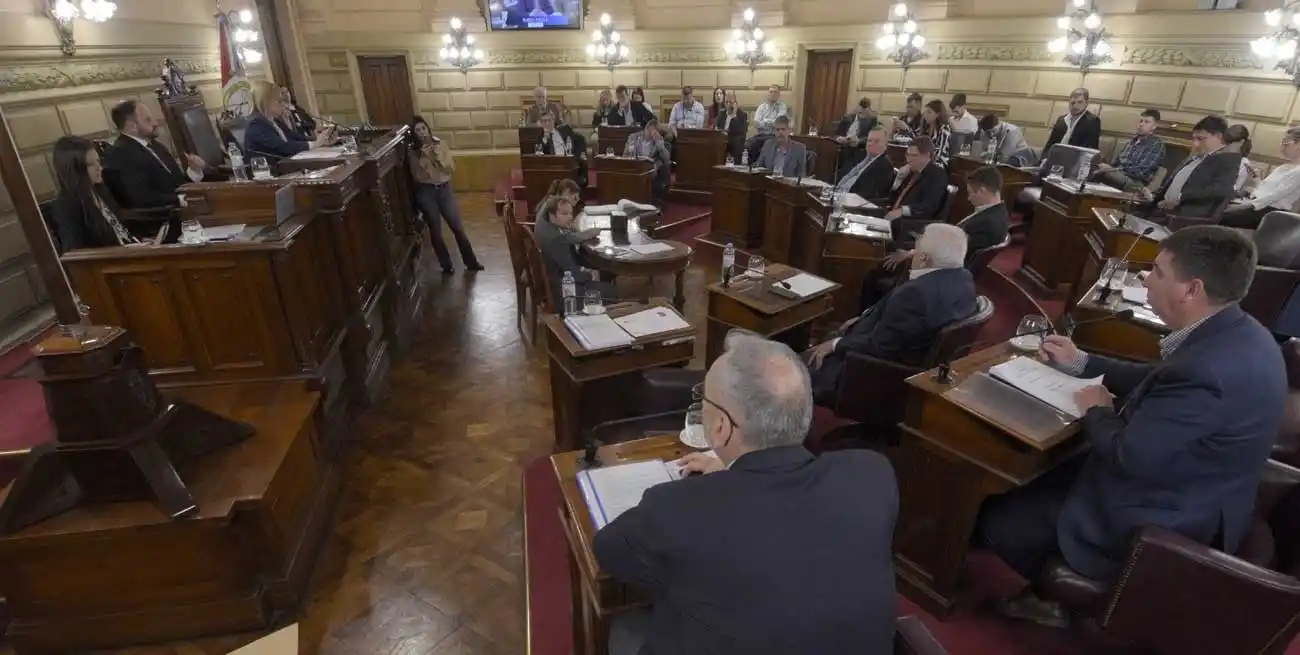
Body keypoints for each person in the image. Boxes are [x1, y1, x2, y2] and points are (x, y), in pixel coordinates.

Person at [976, 226, 1284, 628]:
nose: (1144, 278)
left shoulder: (1210, 370)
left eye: (1156, 271)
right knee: (1038, 476)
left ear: (1191, 290)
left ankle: (1052, 603)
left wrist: (1096, 410)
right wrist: (1082, 364)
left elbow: (1128, 456)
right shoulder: (1239, 332)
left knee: (1001, 522)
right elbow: (1156, 378)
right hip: (1195, 487)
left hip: (1163, 516)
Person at [594, 331, 898, 655]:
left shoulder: (676, 508)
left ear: (721, 427)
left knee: (626, 622)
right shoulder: (872, 474)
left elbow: (607, 548)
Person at [805, 223, 977, 405]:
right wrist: (865, 317)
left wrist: (835, 344)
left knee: (797, 367)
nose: (913, 251)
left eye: (916, 247)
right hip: (912, 364)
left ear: (924, 259)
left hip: (866, 372)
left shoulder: (916, 294)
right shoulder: (965, 280)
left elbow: (879, 348)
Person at [862, 165, 1009, 309]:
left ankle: (867, 316)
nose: (968, 198)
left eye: (970, 193)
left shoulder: (987, 224)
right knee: (888, 249)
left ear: (982, 190)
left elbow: (954, 256)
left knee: (874, 268)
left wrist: (911, 254)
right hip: (939, 262)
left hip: (938, 272)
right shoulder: (995, 213)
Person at [103, 99, 209, 211]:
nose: (156, 123)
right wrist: (181, 200)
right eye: (148, 120)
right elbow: (140, 199)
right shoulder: (120, 154)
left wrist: (194, 171)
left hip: (183, 209)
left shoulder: (156, 145)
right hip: (163, 219)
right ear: (132, 126)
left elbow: (178, 186)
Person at [409, 116, 483, 275]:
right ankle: (446, 265)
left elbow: (450, 168)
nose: (422, 133)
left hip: (444, 189)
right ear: (414, 135)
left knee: (457, 226)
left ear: (428, 129)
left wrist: (436, 156)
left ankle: (471, 262)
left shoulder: (440, 144)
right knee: (436, 230)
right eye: (418, 131)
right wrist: (423, 157)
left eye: (424, 128)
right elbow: (417, 175)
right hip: (427, 192)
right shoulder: (413, 153)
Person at [50, 136, 143, 251]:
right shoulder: (66, 204)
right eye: (90, 165)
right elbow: (75, 251)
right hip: (112, 262)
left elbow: (120, 228)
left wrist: (139, 241)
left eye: (98, 161)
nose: (100, 168)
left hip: (132, 250)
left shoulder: (99, 189)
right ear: (75, 169)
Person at [1139, 115, 1240, 219]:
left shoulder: (1227, 159)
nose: (1195, 144)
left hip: (1179, 218)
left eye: (1200, 139)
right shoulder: (1197, 157)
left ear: (1218, 136)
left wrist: (1180, 198)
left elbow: (1221, 189)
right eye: (1194, 139)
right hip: (1159, 210)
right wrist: (1153, 196)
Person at [533, 195, 612, 304]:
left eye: (570, 213)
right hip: (566, 295)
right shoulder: (557, 239)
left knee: (604, 276)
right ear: (552, 215)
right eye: (564, 214)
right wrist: (591, 274)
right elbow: (572, 274)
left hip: (559, 282)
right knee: (615, 292)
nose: (570, 217)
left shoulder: (549, 228)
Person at [1221, 125, 1300, 229]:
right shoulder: (1283, 167)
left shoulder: (1297, 171)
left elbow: (1273, 197)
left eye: (1286, 143)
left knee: (1219, 217)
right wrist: (1257, 180)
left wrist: (1243, 206)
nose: (1281, 146)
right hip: (1258, 206)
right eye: (1282, 142)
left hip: (1269, 213)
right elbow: (1265, 191)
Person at [244, 79, 336, 164]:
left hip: (287, 166)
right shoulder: (256, 124)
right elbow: (282, 147)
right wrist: (315, 144)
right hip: (271, 174)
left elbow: (295, 137)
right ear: (266, 102)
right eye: (279, 101)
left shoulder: (274, 121)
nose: (284, 105)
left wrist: (321, 139)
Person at [883, 136, 948, 229]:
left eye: (914, 155)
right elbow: (893, 198)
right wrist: (898, 180)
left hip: (912, 224)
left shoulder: (937, 174)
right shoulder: (911, 172)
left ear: (927, 155)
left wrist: (902, 211)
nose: (908, 159)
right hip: (893, 218)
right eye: (907, 155)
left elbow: (928, 207)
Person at [1091, 108, 1165, 190]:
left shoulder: (1156, 145)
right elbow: (1117, 162)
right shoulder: (1132, 142)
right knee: (1092, 166)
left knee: (1103, 173)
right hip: (1118, 174)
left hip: (1136, 182)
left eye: (1146, 122)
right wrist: (1105, 165)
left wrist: (1113, 169)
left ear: (1154, 126)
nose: (1141, 124)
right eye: (1140, 121)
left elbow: (1141, 172)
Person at [833, 126, 894, 200]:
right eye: (869, 140)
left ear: (886, 144)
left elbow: (866, 195)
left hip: (851, 202)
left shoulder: (884, 166)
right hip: (837, 194)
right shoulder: (861, 157)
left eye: (876, 141)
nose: (871, 144)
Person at [1042, 87, 1101, 155]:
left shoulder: (1092, 121)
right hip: (1055, 157)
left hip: (1075, 160)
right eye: (1073, 103)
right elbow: (1050, 144)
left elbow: (1088, 148)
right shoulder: (1061, 120)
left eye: (1080, 102)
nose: (1075, 106)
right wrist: (1044, 159)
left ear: (1086, 103)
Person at [536, 111, 588, 186]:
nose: (547, 123)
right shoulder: (540, 137)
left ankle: (576, 183)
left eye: (549, 120)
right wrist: (545, 139)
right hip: (554, 163)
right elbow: (540, 153)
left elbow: (580, 139)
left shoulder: (564, 130)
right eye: (544, 121)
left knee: (578, 164)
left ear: (553, 121)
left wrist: (582, 153)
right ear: (541, 123)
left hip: (569, 159)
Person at [624, 118, 672, 197]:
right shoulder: (633, 137)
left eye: (653, 132)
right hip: (634, 166)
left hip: (650, 169)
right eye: (649, 131)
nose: (650, 134)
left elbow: (667, 159)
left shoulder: (659, 140)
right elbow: (625, 155)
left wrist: (660, 145)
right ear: (645, 129)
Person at [746, 85, 790, 161]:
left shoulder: (782, 106)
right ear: (768, 94)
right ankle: (751, 168)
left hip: (774, 136)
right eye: (771, 92)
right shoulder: (761, 107)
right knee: (747, 145)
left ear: (779, 95)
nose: (772, 94)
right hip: (760, 135)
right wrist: (770, 122)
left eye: (775, 92)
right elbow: (756, 123)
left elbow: (778, 122)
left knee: (767, 146)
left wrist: (764, 121)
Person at [714, 89, 748, 163]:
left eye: (731, 102)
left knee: (737, 143)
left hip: (734, 140)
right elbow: (716, 126)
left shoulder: (742, 115)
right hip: (722, 139)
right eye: (726, 102)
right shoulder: (722, 114)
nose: (728, 104)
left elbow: (741, 131)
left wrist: (734, 115)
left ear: (735, 103)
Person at [921, 99, 953, 169]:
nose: (926, 115)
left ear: (938, 114)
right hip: (925, 162)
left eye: (929, 112)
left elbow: (941, 154)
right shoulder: (925, 127)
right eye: (925, 112)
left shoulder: (944, 129)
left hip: (939, 165)